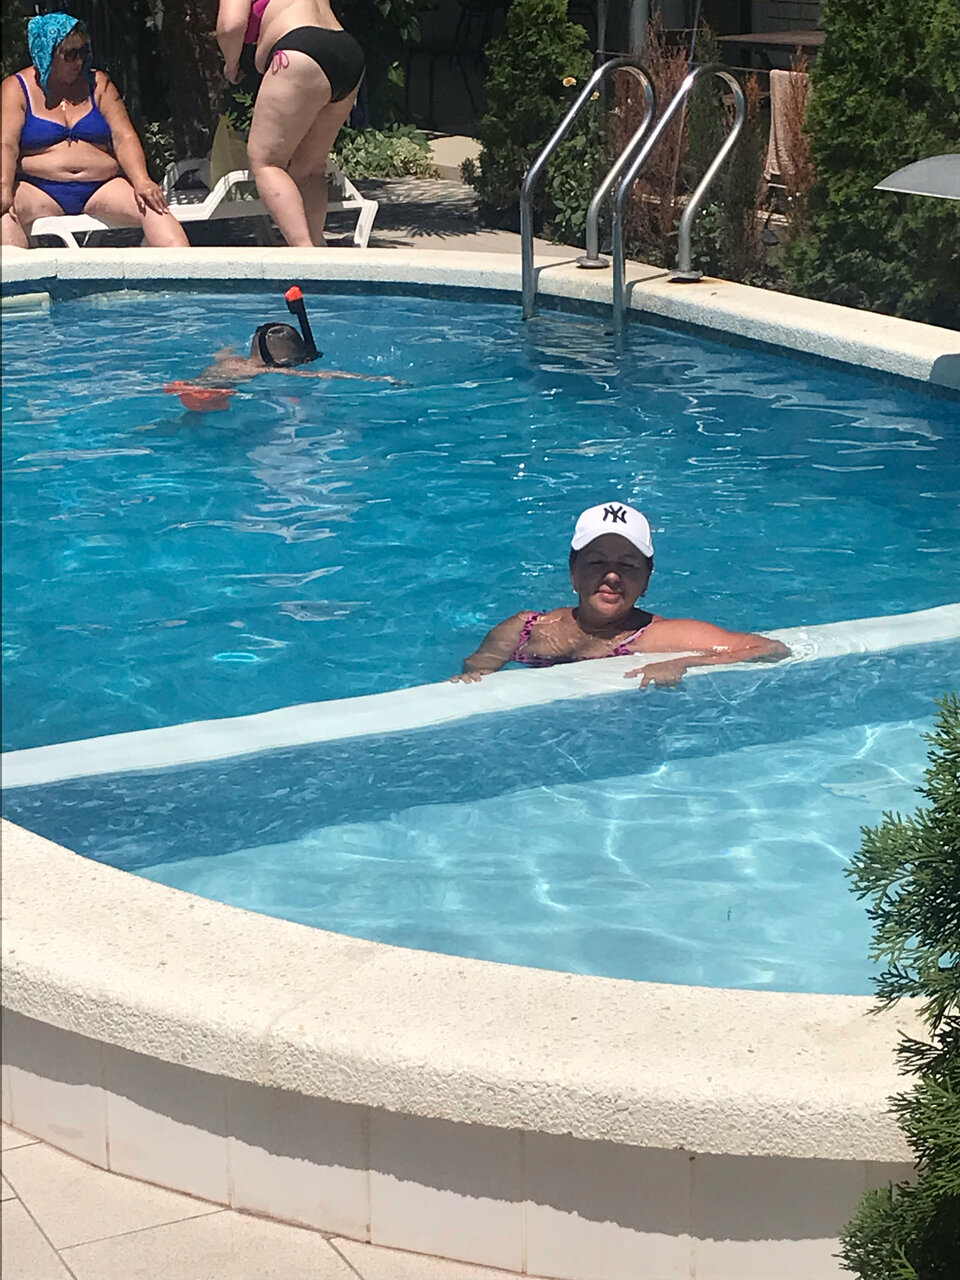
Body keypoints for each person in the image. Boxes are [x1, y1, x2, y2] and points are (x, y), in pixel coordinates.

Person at [453, 502, 791, 686]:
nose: (612, 576)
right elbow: (474, 677)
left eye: (627, 566)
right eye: (597, 562)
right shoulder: (523, 630)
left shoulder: (659, 636)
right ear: (573, 572)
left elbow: (769, 648)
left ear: (646, 580)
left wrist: (681, 663)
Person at [0, 13, 189, 249]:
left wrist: (141, 180)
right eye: (70, 54)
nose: (78, 62)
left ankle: (182, 268)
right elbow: (6, 143)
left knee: (152, 205)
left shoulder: (99, 84)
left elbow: (124, 136)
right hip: (39, 189)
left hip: (101, 188)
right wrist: (4, 185)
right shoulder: (16, 89)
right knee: (3, 212)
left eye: (82, 52)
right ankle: (18, 273)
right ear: (45, 54)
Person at [216, 0, 366, 247]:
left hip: (299, 51)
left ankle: (304, 253)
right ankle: (315, 249)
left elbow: (230, 26)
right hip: (346, 50)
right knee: (310, 168)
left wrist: (230, 64)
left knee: (266, 163)